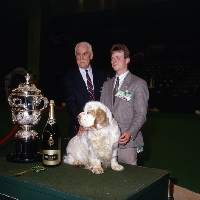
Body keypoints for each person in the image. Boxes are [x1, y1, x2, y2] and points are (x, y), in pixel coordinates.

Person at [100, 44, 149, 165]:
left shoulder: (138, 84)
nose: (114, 60)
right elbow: (101, 111)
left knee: (129, 179)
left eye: (118, 57)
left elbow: (141, 114)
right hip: (107, 141)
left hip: (126, 142)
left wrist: (130, 132)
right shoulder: (107, 85)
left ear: (127, 60)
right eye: (112, 58)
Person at [63, 42, 107, 138]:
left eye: (85, 54)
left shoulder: (102, 74)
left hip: (101, 128)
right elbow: (71, 104)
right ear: (75, 56)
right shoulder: (69, 77)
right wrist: (83, 123)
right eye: (78, 54)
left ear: (91, 56)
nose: (81, 57)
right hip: (80, 129)